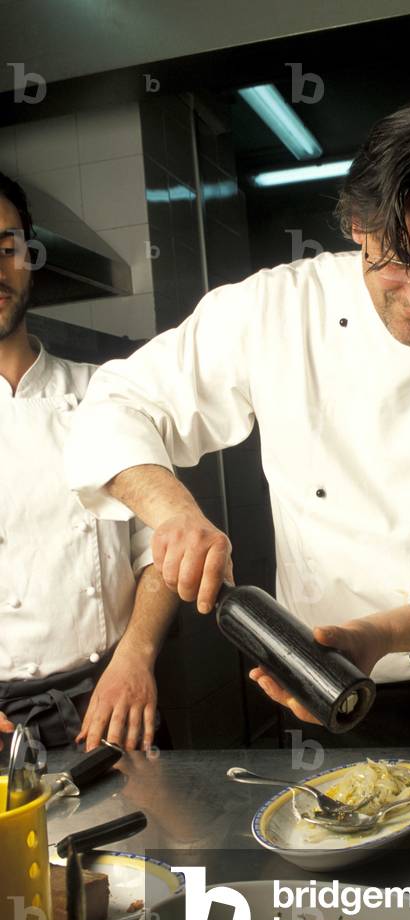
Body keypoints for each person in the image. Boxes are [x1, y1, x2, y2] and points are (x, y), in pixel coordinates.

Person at [65, 99, 410, 745]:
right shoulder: (276, 308)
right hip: (314, 681)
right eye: (398, 258)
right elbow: (120, 401)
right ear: (357, 223)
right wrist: (174, 512)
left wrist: (379, 633)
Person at [0, 172, 178, 752]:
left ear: (30, 256)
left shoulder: (106, 393)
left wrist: (136, 656)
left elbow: (161, 545)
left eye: (6, 248)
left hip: (115, 701)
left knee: (146, 846)